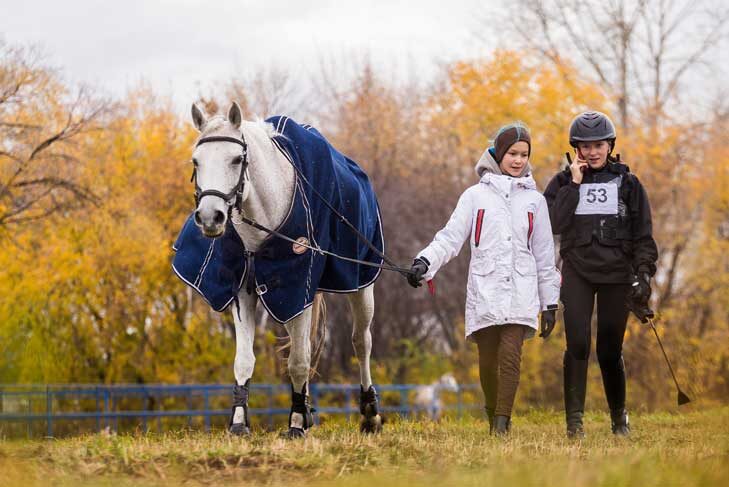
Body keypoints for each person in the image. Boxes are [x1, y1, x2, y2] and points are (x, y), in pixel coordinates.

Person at [407, 123, 560, 435]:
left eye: (524, 154)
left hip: (521, 289)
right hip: (485, 289)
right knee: (488, 362)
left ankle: (501, 425)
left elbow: (545, 256)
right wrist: (425, 261)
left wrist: (551, 303)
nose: (519, 160)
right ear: (498, 153)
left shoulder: (535, 202)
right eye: (513, 153)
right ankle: (493, 414)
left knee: (510, 357)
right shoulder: (474, 196)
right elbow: (450, 238)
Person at [543, 111, 658, 438]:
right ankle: (574, 424)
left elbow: (644, 236)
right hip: (578, 271)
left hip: (617, 274)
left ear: (610, 145)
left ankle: (619, 419)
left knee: (610, 349)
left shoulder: (630, 184)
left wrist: (644, 275)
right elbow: (552, 225)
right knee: (577, 343)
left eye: (598, 145)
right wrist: (575, 184)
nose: (592, 152)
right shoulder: (562, 182)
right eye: (585, 146)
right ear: (575, 148)